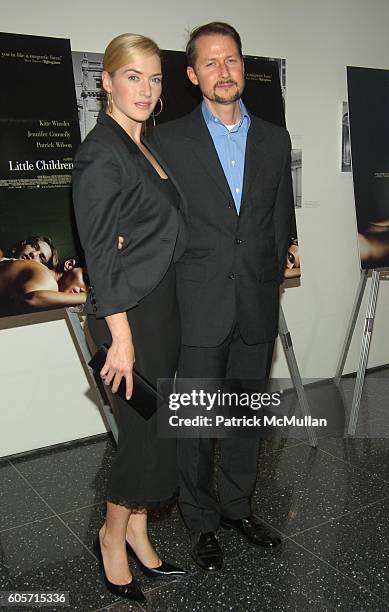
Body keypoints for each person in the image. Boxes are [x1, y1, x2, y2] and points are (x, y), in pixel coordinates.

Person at [150, 22, 294, 571]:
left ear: (243, 65)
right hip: (197, 307)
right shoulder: (167, 141)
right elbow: (158, 224)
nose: (223, 71)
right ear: (192, 75)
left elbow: (279, 223)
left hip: (256, 303)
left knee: (245, 417)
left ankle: (238, 506)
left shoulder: (275, 139)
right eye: (209, 63)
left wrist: (268, 283)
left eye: (230, 59)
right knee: (196, 425)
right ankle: (201, 520)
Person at [72, 33, 187, 604]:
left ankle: (140, 530)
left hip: (158, 311)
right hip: (127, 320)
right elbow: (97, 251)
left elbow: (146, 228)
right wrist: (119, 337)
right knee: (142, 437)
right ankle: (111, 537)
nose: (145, 89)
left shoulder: (145, 144)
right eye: (133, 76)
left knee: (160, 431)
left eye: (155, 77)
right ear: (107, 81)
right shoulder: (101, 151)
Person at [0, 258, 87, 316]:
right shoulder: (47, 278)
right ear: (69, 265)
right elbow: (33, 300)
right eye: (86, 279)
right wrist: (86, 297)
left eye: (90, 289)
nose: (84, 290)